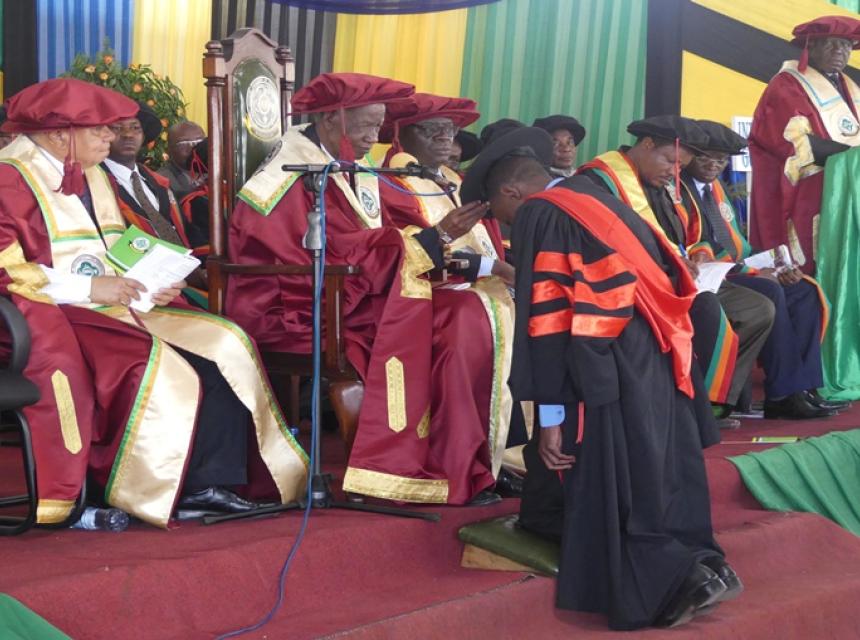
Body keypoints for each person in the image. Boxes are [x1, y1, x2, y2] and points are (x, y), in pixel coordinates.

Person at [464, 127, 740, 630]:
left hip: (605, 364)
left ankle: (668, 583)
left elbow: (545, 322)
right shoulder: (595, 196)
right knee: (651, 465)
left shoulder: (541, 215)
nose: (502, 227)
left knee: (611, 473)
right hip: (655, 347)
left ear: (512, 194)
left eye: (497, 215)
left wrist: (549, 413)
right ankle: (705, 565)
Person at [0, 78, 307, 528]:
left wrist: (143, 281)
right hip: (42, 312)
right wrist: (93, 290)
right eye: (100, 129)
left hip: (104, 302)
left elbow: (112, 248)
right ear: (57, 133)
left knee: (223, 344)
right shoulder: (10, 177)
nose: (111, 137)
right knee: (159, 364)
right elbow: (9, 269)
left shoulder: (89, 173)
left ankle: (207, 486)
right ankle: (145, 486)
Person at [228, 72, 504, 506]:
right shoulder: (285, 177)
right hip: (299, 305)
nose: (374, 138)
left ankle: (466, 462)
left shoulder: (352, 170)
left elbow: (365, 243)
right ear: (333, 119)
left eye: (378, 126)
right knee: (453, 316)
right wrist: (434, 240)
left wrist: (433, 245)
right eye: (366, 126)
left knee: (468, 310)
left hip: (355, 295)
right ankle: (405, 468)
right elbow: (301, 261)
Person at [578, 116, 772, 424]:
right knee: (707, 309)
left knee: (758, 309)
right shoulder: (600, 183)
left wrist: (692, 257)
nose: (674, 172)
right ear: (647, 144)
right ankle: (691, 409)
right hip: (635, 286)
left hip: (684, 277)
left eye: (680, 166)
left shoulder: (660, 183)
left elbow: (689, 236)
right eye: (670, 161)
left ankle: (715, 403)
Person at [682, 120, 843, 419]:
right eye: (706, 157)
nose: (714, 165)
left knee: (803, 290)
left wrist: (772, 264)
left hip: (734, 269)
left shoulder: (714, 189)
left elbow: (734, 243)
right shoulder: (678, 188)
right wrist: (755, 272)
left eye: (721, 159)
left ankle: (803, 388)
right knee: (770, 290)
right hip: (708, 279)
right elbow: (694, 245)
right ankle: (782, 393)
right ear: (690, 154)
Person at [749, 15, 860, 274]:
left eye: (845, 45)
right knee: (814, 260)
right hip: (809, 189)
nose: (840, 51)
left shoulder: (849, 88)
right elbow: (794, 144)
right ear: (811, 47)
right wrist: (852, 157)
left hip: (848, 187)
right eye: (831, 44)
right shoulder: (786, 86)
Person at [101, 102, 208, 300]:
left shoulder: (157, 182)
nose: (128, 135)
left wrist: (205, 268)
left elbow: (185, 230)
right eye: (117, 128)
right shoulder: (95, 183)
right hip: (143, 289)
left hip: (186, 279)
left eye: (135, 128)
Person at [157, 120, 205, 200]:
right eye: (184, 143)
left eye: (199, 141)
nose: (193, 148)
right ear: (169, 150)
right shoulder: (161, 181)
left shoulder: (216, 174)